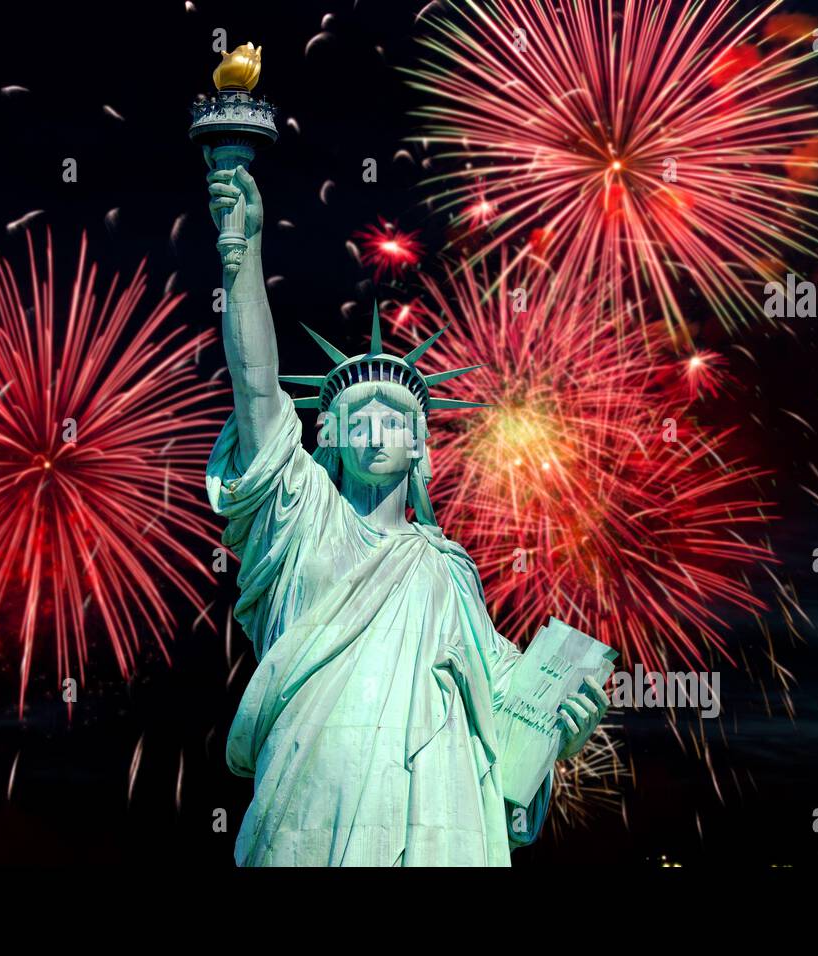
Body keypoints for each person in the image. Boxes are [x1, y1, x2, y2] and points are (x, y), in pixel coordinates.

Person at [204, 162, 609, 866]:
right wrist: (243, 257)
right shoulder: (301, 522)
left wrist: (561, 721)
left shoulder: (447, 571)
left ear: (420, 445)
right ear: (326, 435)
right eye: (354, 417)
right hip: (314, 793)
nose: (373, 431)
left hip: (438, 807)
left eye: (393, 419)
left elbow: (506, 701)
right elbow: (258, 388)